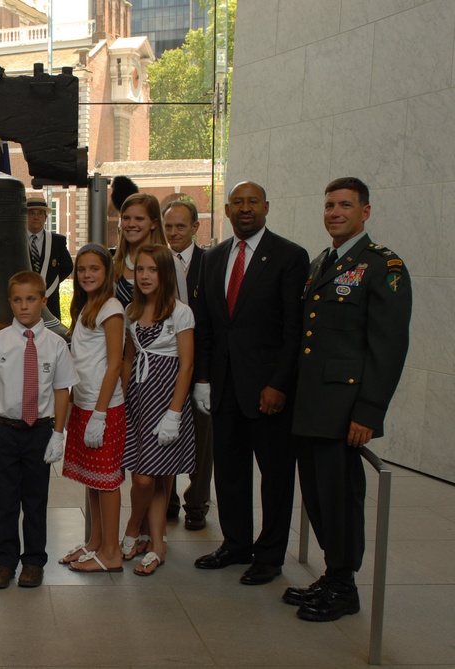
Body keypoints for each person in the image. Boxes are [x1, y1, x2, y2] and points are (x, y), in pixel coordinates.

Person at [287, 177, 412, 622]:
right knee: (319, 498)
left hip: (344, 411)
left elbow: (388, 346)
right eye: (329, 206)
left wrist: (369, 411)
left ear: (365, 211)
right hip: (311, 406)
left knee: (341, 498)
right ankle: (333, 573)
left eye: (344, 205)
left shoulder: (383, 266)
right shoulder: (324, 261)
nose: (335, 212)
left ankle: (345, 586)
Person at [192, 181, 309, 585]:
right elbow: (206, 324)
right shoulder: (213, 257)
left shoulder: (290, 257)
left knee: (275, 475)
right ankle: (236, 543)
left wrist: (279, 384)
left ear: (266, 207)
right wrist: (203, 377)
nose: (245, 209)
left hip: (267, 391)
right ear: (226, 210)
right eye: (238, 202)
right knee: (229, 471)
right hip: (223, 387)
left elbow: (295, 330)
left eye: (253, 202)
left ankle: (270, 553)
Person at [0, 271, 77, 588]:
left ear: (43, 301)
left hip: (40, 431)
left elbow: (62, 391)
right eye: (17, 300)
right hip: (5, 430)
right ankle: (4, 562)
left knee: (35, 500)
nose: (24, 306)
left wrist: (59, 433)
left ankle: (33, 561)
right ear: (10, 303)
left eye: (31, 299)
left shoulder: (56, 345)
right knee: (4, 500)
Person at [119, 244, 196, 576]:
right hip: (137, 398)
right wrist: (119, 402)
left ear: (165, 274)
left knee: (149, 476)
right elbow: (127, 359)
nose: (145, 276)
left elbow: (187, 364)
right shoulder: (131, 311)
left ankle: (134, 528)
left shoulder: (180, 312)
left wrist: (174, 413)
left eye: (152, 270)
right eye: (140, 270)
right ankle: (157, 544)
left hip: (165, 400)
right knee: (148, 474)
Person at [59, 244, 126, 573]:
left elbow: (114, 364)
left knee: (107, 480)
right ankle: (96, 542)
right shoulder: (85, 306)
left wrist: (99, 414)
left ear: (107, 272)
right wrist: (74, 404)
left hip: (105, 406)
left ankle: (112, 551)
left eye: (94, 269)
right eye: (82, 269)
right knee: (93, 480)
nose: (87, 274)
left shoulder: (111, 308)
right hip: (85, 402)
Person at [163, 200, 213, 530]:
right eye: (169, 227)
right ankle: (165, 500)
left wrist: (206, 376)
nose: (174, 233)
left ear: (195, 227)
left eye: (181, 226)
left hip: (202, 366)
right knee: (163, 436)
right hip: (166, 367)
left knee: (202, 439)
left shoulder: (211, 263)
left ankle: (197, 503)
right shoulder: (158, 263)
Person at [112, 193, 187, 307]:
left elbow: (183, 313)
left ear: (154, 223)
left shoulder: (171, 262)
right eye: (126, 218)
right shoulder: (115, 264)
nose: (131, 224)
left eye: (139, 219)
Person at [25, 197, 73, 321]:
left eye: (40, 213)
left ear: (46, 218)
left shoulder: (57, 241)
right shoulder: (16, 241)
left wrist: (52, 281)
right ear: (25, 216)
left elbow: (68, 266)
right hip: (24, 301)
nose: (36, 217)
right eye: (31, 213)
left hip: (50, 300)